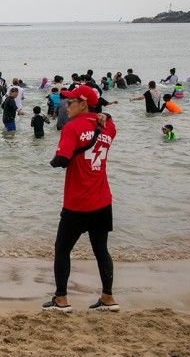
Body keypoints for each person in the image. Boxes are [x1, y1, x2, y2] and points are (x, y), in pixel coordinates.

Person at [43, 85, 118, 313]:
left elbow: (63, 159)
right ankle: (107, 297)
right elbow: (111, 124)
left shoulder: (72, 127)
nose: (66, 105)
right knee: (101, 250)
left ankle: (61, 299)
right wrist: (105, 116)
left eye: (71, 101)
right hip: (102, 201)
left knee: (62, 249)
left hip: (77, 203)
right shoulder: (107, 126)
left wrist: (54, 160)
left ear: (83, 104)